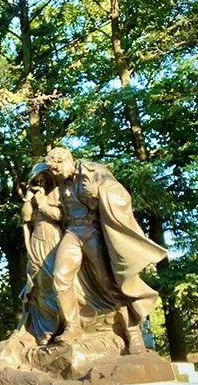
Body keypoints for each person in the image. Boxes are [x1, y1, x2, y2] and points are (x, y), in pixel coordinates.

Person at [44, 147, 167, 352]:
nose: (55, 175)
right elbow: (61, 212)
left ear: (65, 161)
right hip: (73, 232)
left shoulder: (93, 171)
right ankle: (73, 327)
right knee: (59, 278)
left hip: (93, 231)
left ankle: (133, 333)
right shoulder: (60, 181)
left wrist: (98, 193)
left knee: (109, 284)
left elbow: (120, 196)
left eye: (56, 170)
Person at [19, 163, 63, 344]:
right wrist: (30, 200)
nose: (40, 182)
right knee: (38, 282)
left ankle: (59, 326)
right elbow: (25, 218)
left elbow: (60, 216)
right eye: (36, 180)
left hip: (53, 238)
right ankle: (44, 330)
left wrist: (43, 203)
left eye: (43, 179)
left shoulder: (57, 193)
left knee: (54, 280)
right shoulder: (33, 197)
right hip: (37, 239)